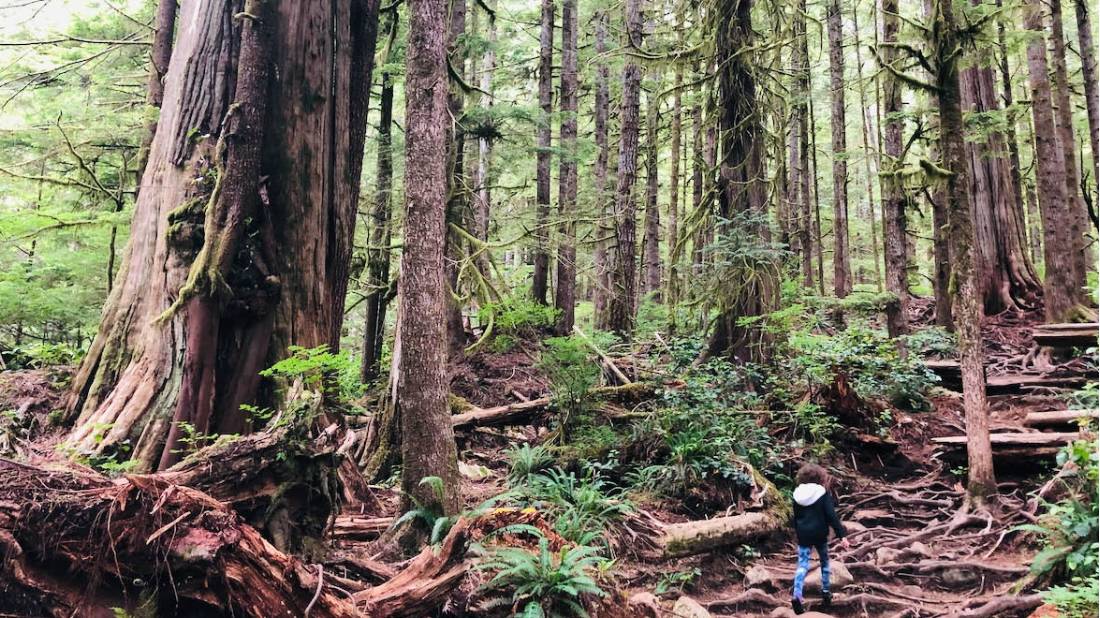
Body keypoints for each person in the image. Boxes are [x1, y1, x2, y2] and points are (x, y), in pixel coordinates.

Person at [790, 463, 848, 615]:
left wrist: (798, 532)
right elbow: (831, 516)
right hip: (820, 534)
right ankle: (826, 592)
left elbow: (795, 518)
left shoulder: (797, 494)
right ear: (820, 477)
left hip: (803, 535)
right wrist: (842, 535)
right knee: (825, 563)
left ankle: (796, 595)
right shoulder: (822, 493)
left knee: (802, 565)